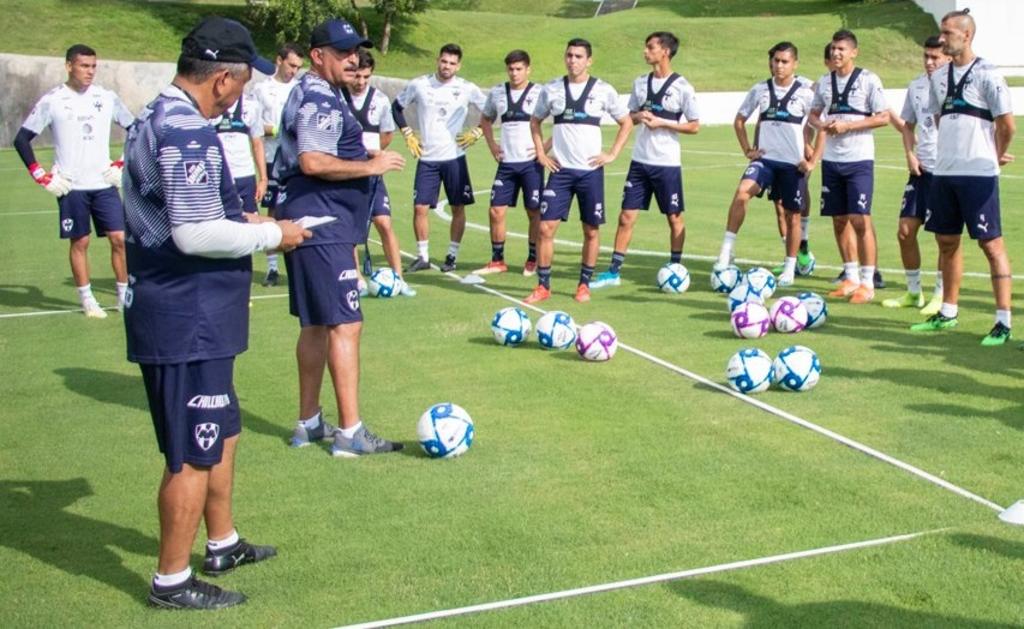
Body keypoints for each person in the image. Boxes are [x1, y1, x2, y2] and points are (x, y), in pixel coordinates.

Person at [122, 17, 308, 609]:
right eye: (244, 82)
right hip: (185, 313)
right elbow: (193, 234)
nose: (241, 94)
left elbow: (192, 214)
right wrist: (273, 235)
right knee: (192, 450)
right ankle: (171, 580)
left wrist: (243, 221)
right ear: (223, 79)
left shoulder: (158, 114)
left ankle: (222, 541)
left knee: (223, 430)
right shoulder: (186, 130)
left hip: (198, 310)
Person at [274, 19, 407, 454]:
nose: (353, 59)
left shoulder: (319, 91)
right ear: (317, 56)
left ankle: (309, 423)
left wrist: (362, 152)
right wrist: (370, 165)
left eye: (355, 52)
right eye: (343, 52)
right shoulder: (318, 95)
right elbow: (312, 161)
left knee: (315, 323)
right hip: (322, 221)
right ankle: (351, 433)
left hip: (310, 216)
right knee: (346, 323)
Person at [911, 9, 1016, 345]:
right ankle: (948, 312)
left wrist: (994, 155)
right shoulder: (939, 77)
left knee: (991, 244)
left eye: (948, 33)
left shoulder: (988, 74)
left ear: (966, 35)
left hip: (978, 174)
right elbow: (939, 118)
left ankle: (1003, 321)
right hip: (944, 173)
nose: (942, 38)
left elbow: (1007, 125)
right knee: (946, 241)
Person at [14, 44, 135, 318]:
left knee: (119, 239)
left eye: (93, 66)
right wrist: (41, 176)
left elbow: (137, 130)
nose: (90, 71)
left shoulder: (107, 98)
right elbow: (21, 140)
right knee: (80, 242)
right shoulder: (53, 100)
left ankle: (123, 296)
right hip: (72, 187)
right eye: (84, 66)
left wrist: (121, 164)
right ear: (69, 66)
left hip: (104, 184)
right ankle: (88, 300)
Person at [524, 38, 633, 304]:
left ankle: (583, 284)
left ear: (589, 61)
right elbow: (535, 121)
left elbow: (627, 122)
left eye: (579, 56)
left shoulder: (603, 90)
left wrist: (612, 153)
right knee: (545, 228)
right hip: (560, 172)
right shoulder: (552, 89)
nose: (573, 60)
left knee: (591, 230)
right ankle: (543, 286)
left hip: (590, 173)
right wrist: (541, 153)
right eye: (569, 55)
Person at [591, 31, 699, 289]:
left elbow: (694, 125)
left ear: (666, 52)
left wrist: (662, 122)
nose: (645, 51)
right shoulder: (640, 83)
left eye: (651, 47)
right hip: (640, 162)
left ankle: (675, 267)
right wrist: (639, 117)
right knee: (626, 216)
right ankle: (613, 272)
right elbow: (629, 117)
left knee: (674, 218)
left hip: (667, 164)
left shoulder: (682, 87)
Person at [714, 41, 814, 287]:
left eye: (784, 61)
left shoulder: (806, 92)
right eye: (776, 61)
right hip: (765, 161)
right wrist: (748, 150)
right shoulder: (760, 89)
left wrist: (812, 157)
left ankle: (790, 267)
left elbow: (818, 125)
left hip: (792, 164)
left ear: (795, 64)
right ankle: (726, 251)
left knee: (792, 215)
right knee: (742, 193)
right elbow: (739, 120)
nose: (779, 65)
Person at [808, 30, 890, 304]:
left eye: (841, 49)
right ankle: (851, 277)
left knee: (860, 218)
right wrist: (822, 125)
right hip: (832, 160)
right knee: (839, 218)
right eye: (833, 48)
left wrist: (848, 126)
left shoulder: (868, 80)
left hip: (859, 160)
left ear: (854, 52)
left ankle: (868, 282)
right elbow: (813, 113)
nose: (836, 53)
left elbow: (883, 117)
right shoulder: (824, 81)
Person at [392, 43, 487, 272]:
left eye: (452, 63)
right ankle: (423, 257)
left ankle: (451, 256)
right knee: (420, 208)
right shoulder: (419, 84)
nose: (447, 66)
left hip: (455, 158)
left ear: (458, 66)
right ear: (438, 61)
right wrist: (407, 133)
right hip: (427, 158)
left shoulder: (467, 88)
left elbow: (491, 110)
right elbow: (396, 107)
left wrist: (478, 131)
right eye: (444, 61)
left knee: (457, 208)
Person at [882, 36, 951, 313]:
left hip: (946, 172)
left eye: (935, 57)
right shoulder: (916, 86)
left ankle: (940, 295)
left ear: (948, 58)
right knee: (905, 231)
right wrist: (909, 155)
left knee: (943, 238)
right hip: (921, 171)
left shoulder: (955, 86)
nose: (929, 62)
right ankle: (913, 293)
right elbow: (908, 126)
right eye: (926, 56)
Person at [341, 49, 416, 297]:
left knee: (384, 222)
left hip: (373, 174)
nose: (361, 82)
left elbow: (387, 134)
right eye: (357, 76)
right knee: (352, 228)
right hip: (347, 173)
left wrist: (373, 155)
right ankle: (358, 279)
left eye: (366, 76)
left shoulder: (380, 100)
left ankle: (399, 278)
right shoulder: (338, 98)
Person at [473, 49, 545, 277]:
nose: (514, 73)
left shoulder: (540, 92)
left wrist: (545, 147)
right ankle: (497, 260)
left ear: (528, 69)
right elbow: (485, 119)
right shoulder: (497, 93)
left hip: (531, 163)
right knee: (496, 210)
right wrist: (492, 145)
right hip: (507, 164)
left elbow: (563, 120)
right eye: (511, 69)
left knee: (533, 211)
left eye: (519, 69)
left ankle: (533, 258)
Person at [251, 43, 305, 286]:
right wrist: (275, 130)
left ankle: (300, 266)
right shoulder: (261, 89)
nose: (294, 71)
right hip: (272, 157)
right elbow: (251, 124)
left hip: (296, 158)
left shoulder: (301, 89)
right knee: (273, 211)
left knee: (299, 209)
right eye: (291, 65)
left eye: (298, 67)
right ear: (279, 60)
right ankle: (272, 268)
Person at [210, 94, 265, 215]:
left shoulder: (251, 105)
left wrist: (263, 179)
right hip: (221, 177)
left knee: (251, 221)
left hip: (246, 176)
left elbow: (257, 144)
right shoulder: (211, 104)